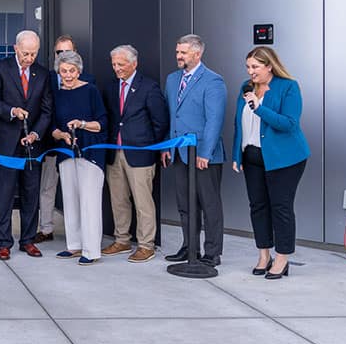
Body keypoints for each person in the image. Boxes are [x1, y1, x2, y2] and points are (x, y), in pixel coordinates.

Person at [232, 46, 310, 280]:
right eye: (248, 67)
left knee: (280, 207)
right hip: (252, 156)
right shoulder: (245, 88)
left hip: (284, 159)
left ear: (269, 66)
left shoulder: (288, 87)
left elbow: (289, 123)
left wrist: (260, 108)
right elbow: (239, 124)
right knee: (258, 206)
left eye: (255, 67)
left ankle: (282, 258)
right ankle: (263, 255)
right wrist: (238, 154)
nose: (250, 71)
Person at [0, 30, 53, 261]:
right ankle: (4, 242)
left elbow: (46, 110)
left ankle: (28, 240)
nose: (29, 58)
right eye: (25, 53)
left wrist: (35, 134)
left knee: (30, 193)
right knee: (3, 194)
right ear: (16, 48)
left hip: (32, 145)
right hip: (5, 143)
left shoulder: (43, 74)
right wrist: (12, 111)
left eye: (33, 53)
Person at [161, 34, 227, 266]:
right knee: (185, 205)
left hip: (203, 155)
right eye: (177, 51)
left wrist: (205, 153)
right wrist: (167, 146)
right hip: (179, 152)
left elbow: (214, 121)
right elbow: (171, 116)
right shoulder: (172, 79)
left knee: (209, 205)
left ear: (197, 54)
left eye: (183, 53)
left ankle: (212, 252)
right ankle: (190, 248)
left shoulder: (213, 81)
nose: (178, 56)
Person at [102, 45, 169, 263]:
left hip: (140, 154)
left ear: (134, 64)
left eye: (121, 64)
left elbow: (160, 122)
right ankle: (122, 240)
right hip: (115, 153)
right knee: (118, 200)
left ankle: (145, 245)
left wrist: (156, 148)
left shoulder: (149, 87)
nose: (117, 68)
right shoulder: (111, 87)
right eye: (114, 64)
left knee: (143, 202)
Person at [49, 51, 109, 265]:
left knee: (89, 202)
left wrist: (82, 124)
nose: (67, 75)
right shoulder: (57, 94)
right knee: (70, 201)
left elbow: (102, 123)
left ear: (79, 71)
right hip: (66, 154)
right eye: (63, 71)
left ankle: (91, 250)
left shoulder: (90, 90)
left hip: (90, 153)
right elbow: (53, 126)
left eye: (72, 71)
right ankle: (74, 245)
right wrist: (61, 134)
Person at [37, 35, 95, 243]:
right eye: (59, 52)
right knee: (47, 187)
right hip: (53, 142)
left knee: (78, 191)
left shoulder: (88, 81)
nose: (64, 56)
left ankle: (80, 234)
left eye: (67, 51)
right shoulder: (47, 78)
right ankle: (45, 229)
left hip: (80, 144)